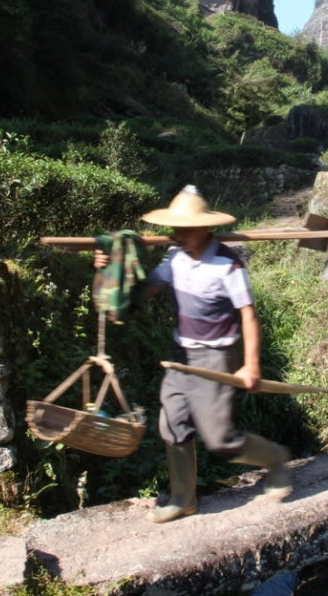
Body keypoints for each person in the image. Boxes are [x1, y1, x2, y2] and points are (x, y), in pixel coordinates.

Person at [95, 185, 291, 524]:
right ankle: (184, 499)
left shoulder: (227, 264)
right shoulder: (175, 258)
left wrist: (252, 363)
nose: (178, 235)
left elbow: (248, 314)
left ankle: (275, 458)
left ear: (205, 228)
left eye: (185, 229)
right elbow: (144, 290)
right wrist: (109, 264)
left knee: (220, 439)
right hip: (180, 354)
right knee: (171, 424)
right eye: (175, 229)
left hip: (217, 356)